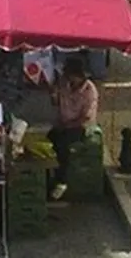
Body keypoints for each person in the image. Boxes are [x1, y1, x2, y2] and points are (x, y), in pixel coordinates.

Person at [48, 56, 99, 199]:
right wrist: (53, 93)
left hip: (80, 127)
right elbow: (56, 103)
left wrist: (68, 125)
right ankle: (50, 176)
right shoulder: (64, 84)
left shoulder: (89, 90)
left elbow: (86, 117)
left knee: (62, 145)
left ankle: (62, 180)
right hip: (63, 124)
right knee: (48, 141)